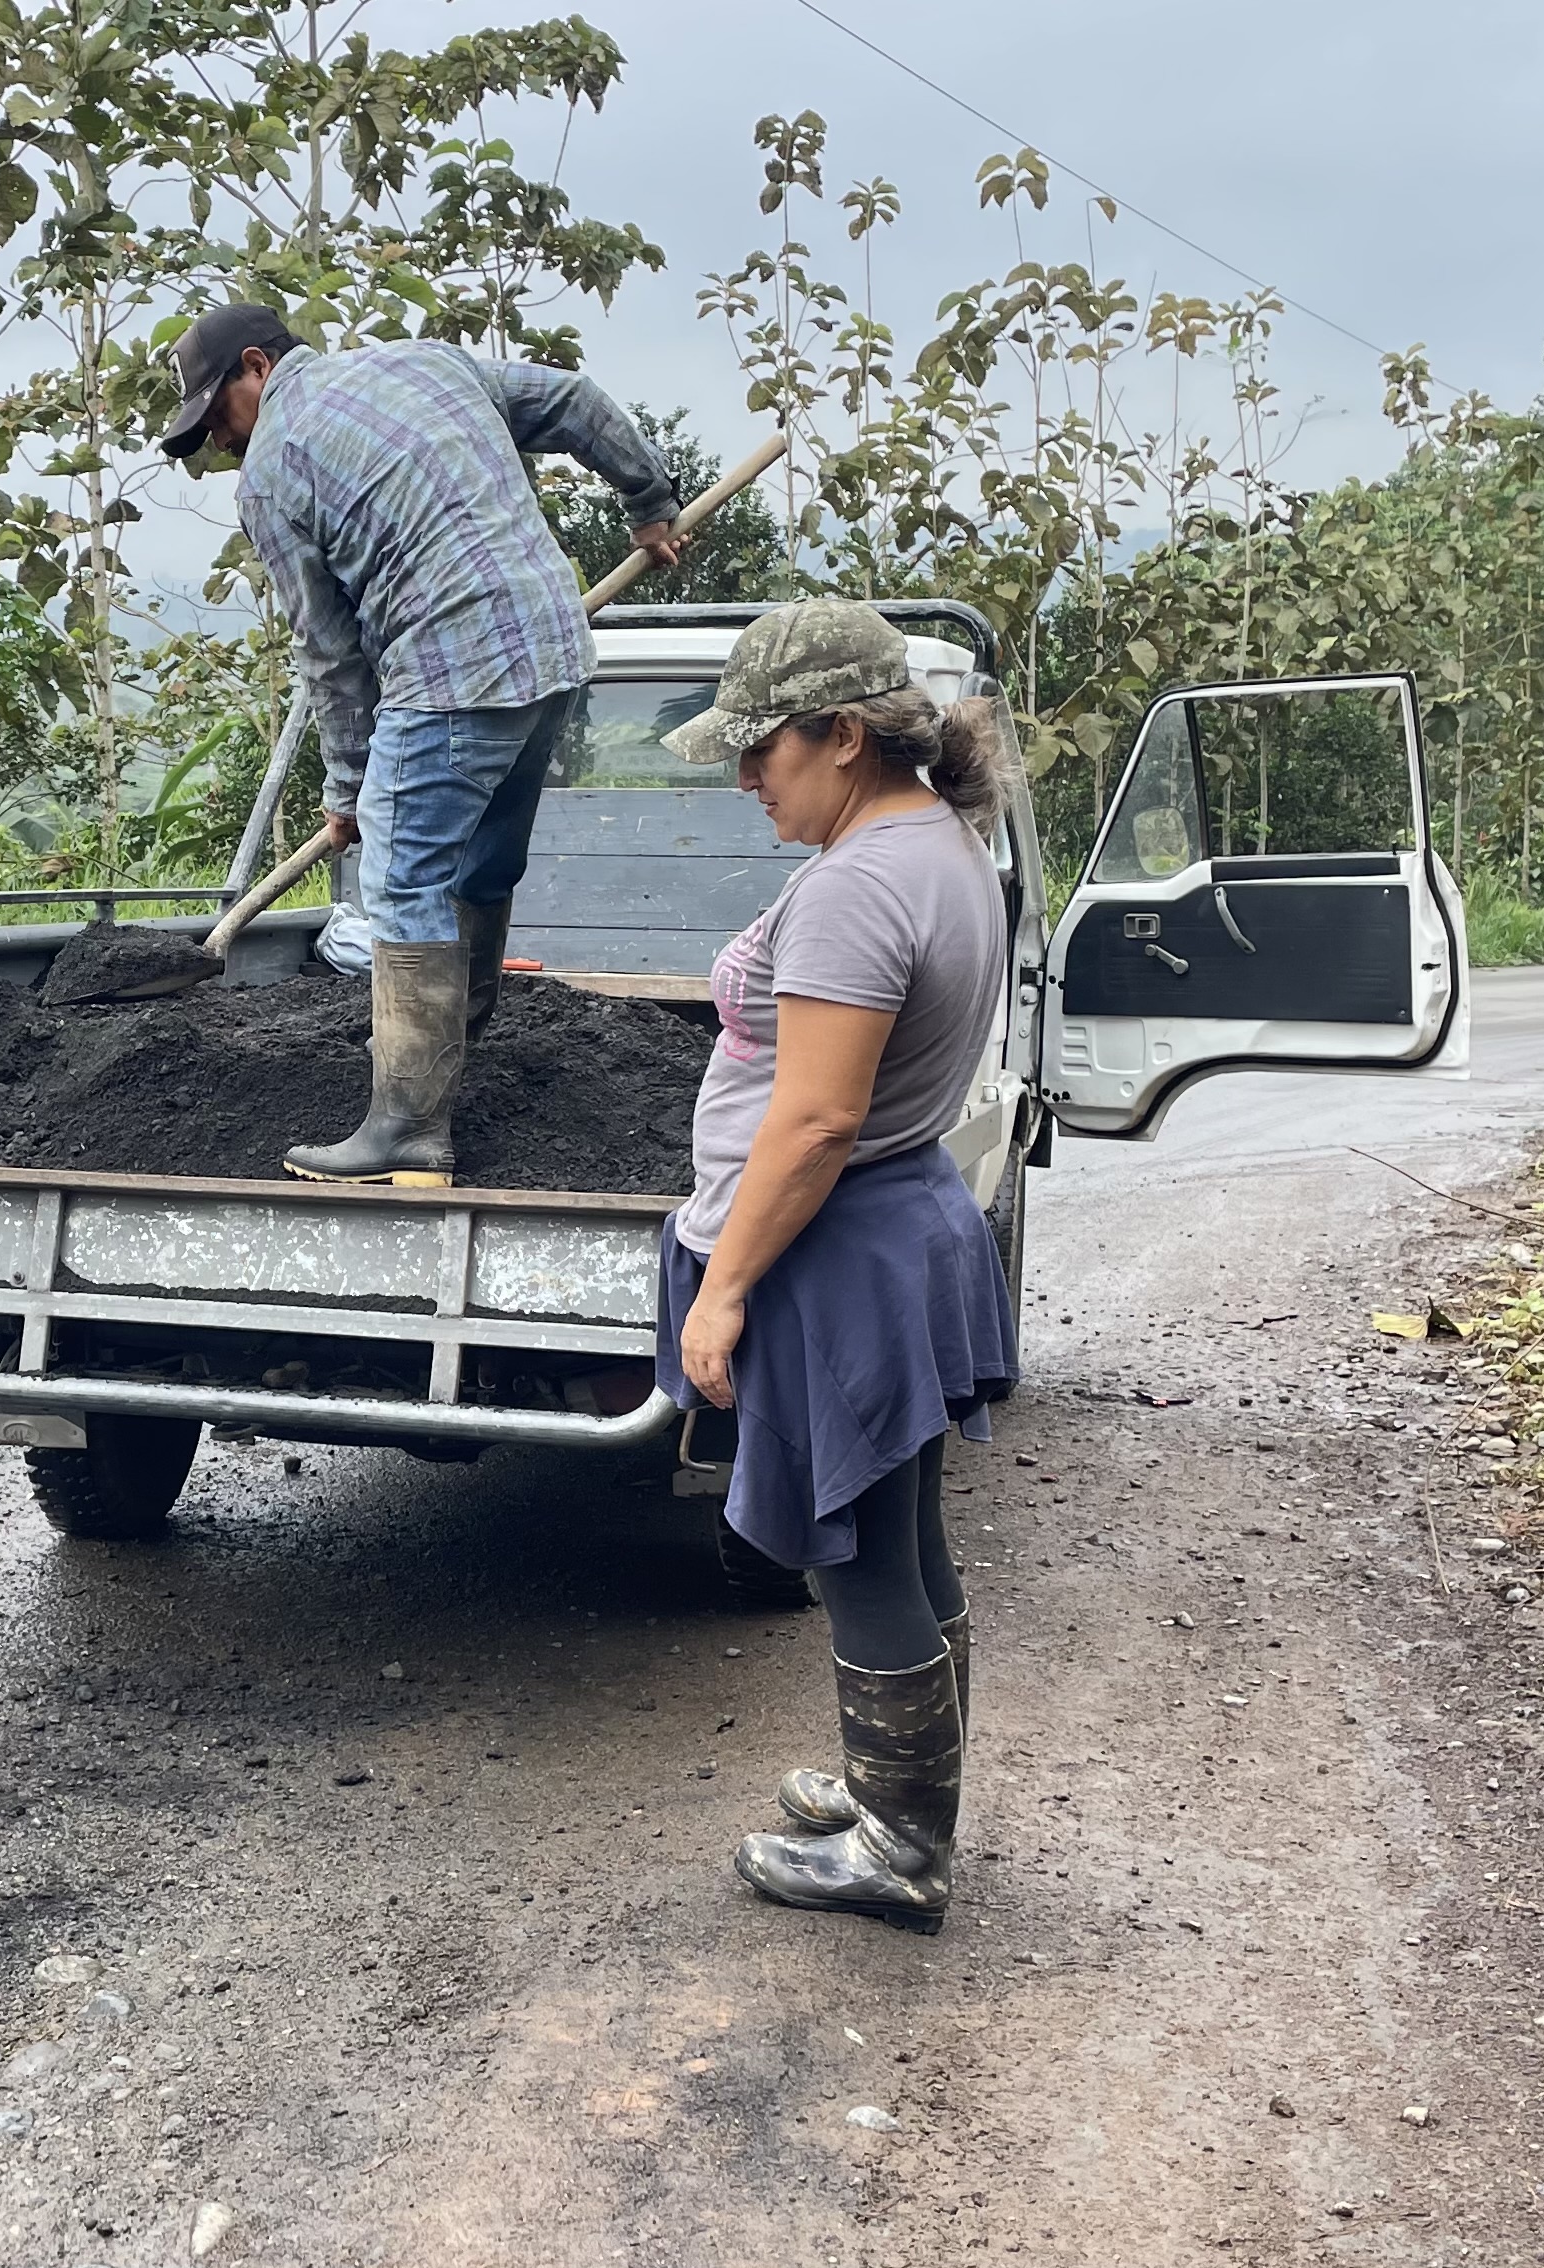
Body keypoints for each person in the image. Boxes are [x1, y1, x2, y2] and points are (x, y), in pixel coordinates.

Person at [649, 599, 1019, 1929]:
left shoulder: (861, 885)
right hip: (904, 1220)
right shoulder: (942, 842)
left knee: (853, 1550)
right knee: (902, 1533)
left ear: (845, 736)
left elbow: (813, 1123)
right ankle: (900, 1794)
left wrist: (726, 1288)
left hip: (836, 1248)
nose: (748, 778)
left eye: (764, 751)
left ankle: (901, 1849)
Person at [158, 303, 685, 1184]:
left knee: (404, 885)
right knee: (479, 867)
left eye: (216, 413)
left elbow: (332, 656)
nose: (219, 439)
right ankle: (448, 1051)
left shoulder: (273, 474)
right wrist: (649, 502)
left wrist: (348, 788)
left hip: (447, 676)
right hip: (552, 653)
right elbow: (574, 401)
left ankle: (407, 1126)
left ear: (257, 365)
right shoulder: (430, 364)